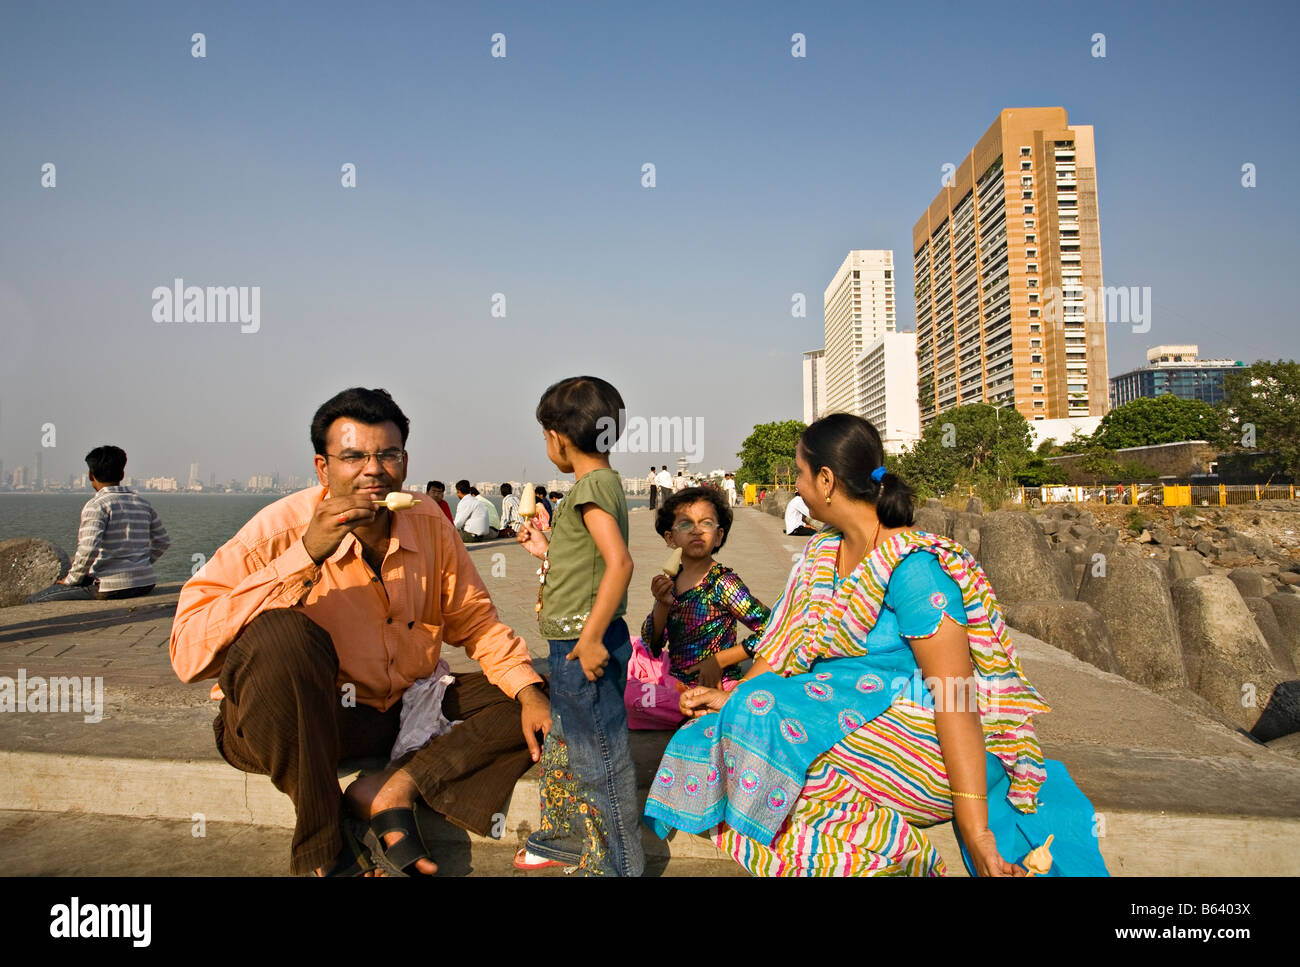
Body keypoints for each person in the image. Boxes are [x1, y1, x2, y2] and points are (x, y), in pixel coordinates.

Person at [644, 413, 1106, 878]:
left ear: (826, 481)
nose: (797, 487)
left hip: (917, 739)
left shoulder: (915, 569)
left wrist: (976, 830)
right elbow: (778, 650)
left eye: (800, 474)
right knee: (715, 731)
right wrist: (731, 698)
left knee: (750, 735)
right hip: (838, 719)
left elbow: (955, 698)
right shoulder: (823, 555)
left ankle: (901, 860)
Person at [169, 388, 550, 877]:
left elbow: (474, 621)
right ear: (323, 468)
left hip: (392, 711)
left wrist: (528, 690)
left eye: (387, 454)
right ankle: (323, 845)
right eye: (353, 456)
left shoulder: (428, 522)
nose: (373, 470)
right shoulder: (278, 531)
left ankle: (394, 788)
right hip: (287, 723)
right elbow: (187, 654)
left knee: (542, 691)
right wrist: (304, 555)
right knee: (284, 635)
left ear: (404, 462)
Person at [513, 376, 643, 877]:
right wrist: (548, 550)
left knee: (598, 764)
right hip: (570, 645)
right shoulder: (600, 485)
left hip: (581, 647)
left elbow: (620, 563)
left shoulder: (590, 488)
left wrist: (590, 639)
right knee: (568, 752)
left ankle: (617, 867)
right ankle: (566, 843)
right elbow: (590, 561)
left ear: (558, 438)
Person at [640, 486, 769, 690]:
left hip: (718, 684)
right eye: (685, 524)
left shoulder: (723, 583)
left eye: (706, 523)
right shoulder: (672, 581)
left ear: (718, 536)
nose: (696, 530)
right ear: (670, 538)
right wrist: (662, 605)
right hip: (676, 685)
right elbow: (652, 645)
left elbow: (771, 630)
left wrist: (720, 660)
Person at [27, 445, 169, 603]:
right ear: (122, 474)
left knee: (33, 601)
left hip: (109, 587)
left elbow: (89, 549)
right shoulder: (142, 503)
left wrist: (71, 580)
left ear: (90, 475)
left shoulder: (97, 505)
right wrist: (140, 565)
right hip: (145, 583)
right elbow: (163, 541)